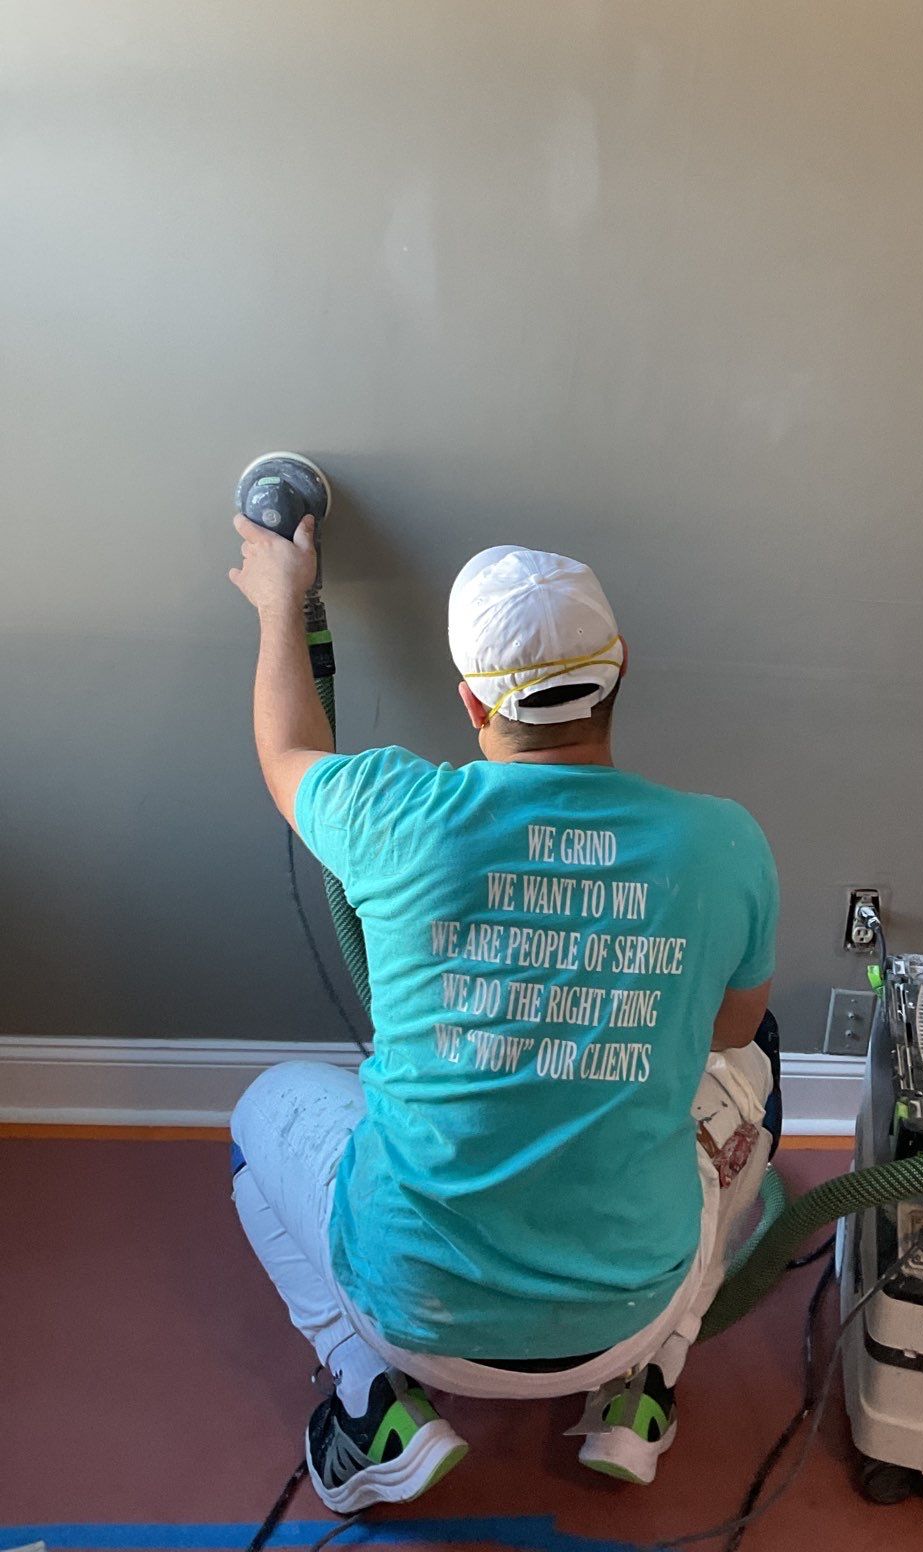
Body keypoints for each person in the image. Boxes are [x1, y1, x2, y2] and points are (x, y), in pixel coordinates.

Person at [227, 519, 780, 1514]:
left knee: (257, 1118)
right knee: (760, 1085)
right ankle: (643, 1390)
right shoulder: (722, 844)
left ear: (474, 702)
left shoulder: (394, 812)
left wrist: (281, 600)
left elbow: (287, 751)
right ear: (619, 670)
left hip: (413, 1309)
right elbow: (734, 1032)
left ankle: (371, 1398)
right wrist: (610, 1006)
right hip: (628, 1313)